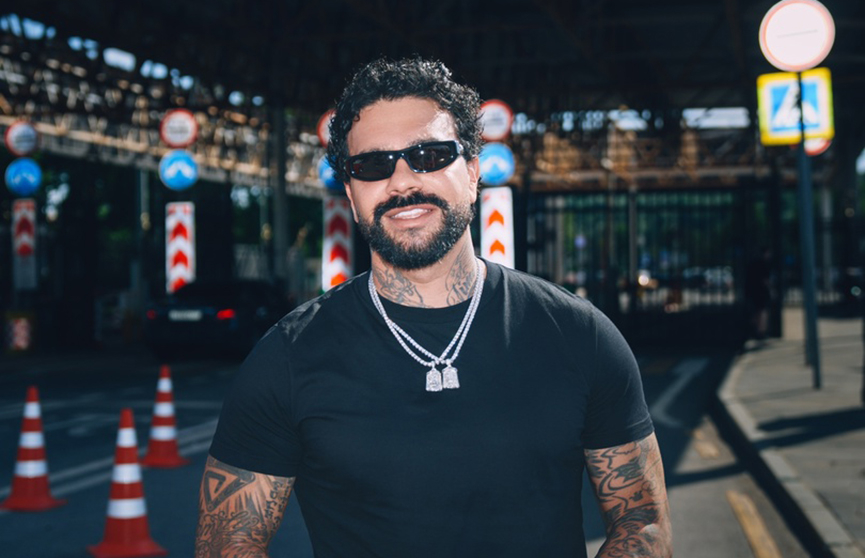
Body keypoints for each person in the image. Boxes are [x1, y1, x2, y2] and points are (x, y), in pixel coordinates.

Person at [196, 57, 672, 558]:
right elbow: (227, 543)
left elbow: (641, 519)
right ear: (352, 195)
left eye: (429, 155)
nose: (403, 182)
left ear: (472, 173)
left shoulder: (579, 334)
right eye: (373, 165)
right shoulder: (288, 357)